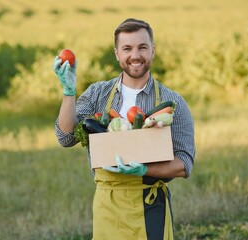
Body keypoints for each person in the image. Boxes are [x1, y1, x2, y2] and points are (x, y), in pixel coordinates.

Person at [53, 18, 195, 240]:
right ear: (117, 53)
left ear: (153, 51)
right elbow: (66, 137)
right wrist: (69, 91)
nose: (135, 55)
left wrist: (144, 170)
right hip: (108, 206)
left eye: (142, 47)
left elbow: (184, 164)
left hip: (151, 206)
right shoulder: (97, 94)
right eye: (127, 48)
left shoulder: (172, 101)